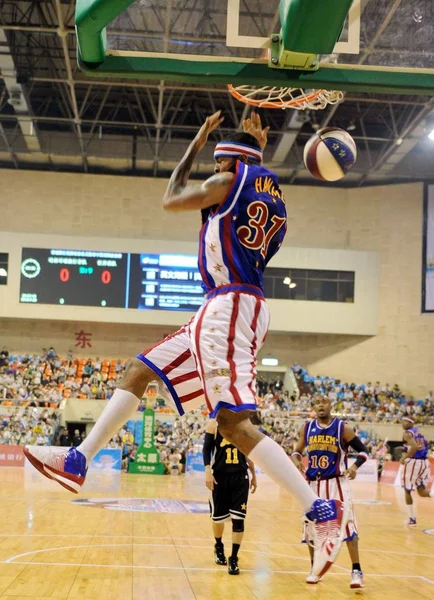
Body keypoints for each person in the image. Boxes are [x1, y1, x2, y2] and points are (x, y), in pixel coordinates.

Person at [24, 111, 348, 578]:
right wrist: (247, 148)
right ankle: (79, 459)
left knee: (234, 425)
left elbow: (171, 197)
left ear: (229, 165)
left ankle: (319, 512)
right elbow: (223, 204)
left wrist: (196, 143)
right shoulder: (268, 194)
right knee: (138, 372)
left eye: (220, 164)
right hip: (221, 306)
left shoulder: (228, 182)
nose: (213, 174)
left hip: (230, 307)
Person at [292, 394, 369, 589]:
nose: (320, 406)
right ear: (313, 407)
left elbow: (363, 451)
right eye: (317, 403)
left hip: (336, 483)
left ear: (330, 405)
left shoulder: (342, 427)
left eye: (324, 402)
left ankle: (356, 571)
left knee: (348, 526)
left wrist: (354, 467)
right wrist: (296, 458)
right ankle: (314, 569)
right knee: (311, 528)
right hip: (313, 486)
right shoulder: (307, 428)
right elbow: (296, 451)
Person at [203, 417, 257, 575]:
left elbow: (247, 451)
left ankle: (234, 558)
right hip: (219, 476)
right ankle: (218, 546)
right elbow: (206, 449)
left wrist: (253, 474)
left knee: (239, 519)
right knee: (217, 518)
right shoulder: (214, 424)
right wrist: (207, 470)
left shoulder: (244, 423)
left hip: (240, 477)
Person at [401, 416, 434, 525]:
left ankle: (412, 519)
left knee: (407, 490)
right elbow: (424, 445)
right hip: (425, 462)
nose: (402, 423)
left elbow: (414, 446)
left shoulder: (407, 433)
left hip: (414, 462)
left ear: (410, 423)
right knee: (422, 492)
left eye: (405, 421)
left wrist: (404, 457)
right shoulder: (419, 432)